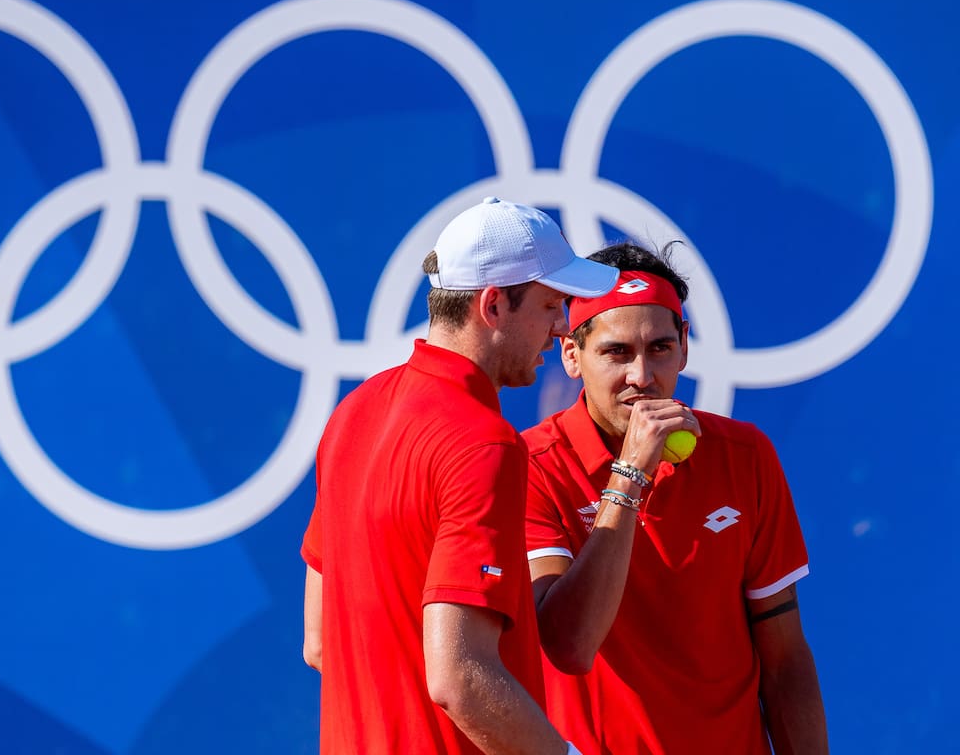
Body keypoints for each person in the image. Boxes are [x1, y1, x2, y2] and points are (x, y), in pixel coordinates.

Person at [300, 197, 619, 754]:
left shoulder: (353, 412)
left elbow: (320, 643)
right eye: (550, 306)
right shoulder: (484, 443)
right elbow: (458, 678)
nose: (560, 330)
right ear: (493, 306)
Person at [523, 241, 829, 754]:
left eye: (660, 348)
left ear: (684, 346)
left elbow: (785, 657)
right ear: (572, 357)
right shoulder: (530, 468)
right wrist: (631, 476)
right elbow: (569, 643)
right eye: (617, 352)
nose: (642, 377)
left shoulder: (745, 454)